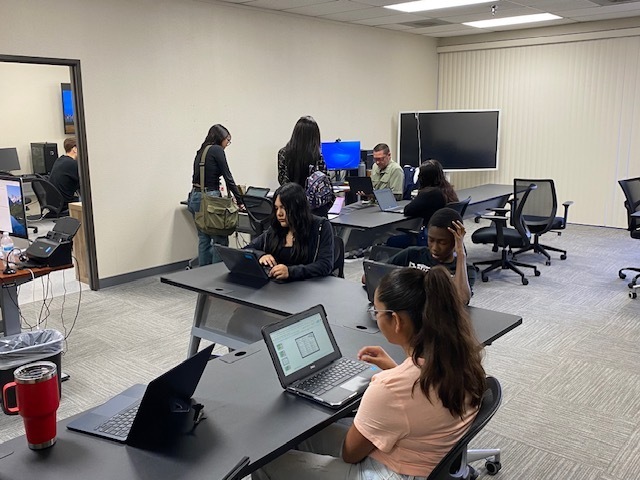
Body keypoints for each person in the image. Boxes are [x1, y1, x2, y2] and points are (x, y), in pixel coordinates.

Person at [252, 266, 486, 480]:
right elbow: (418, 398)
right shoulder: (461, 360)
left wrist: (391, 380)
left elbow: (350, 454)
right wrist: (395, 369)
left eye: (377, 311)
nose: (375, 315)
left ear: (396, 320)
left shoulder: (389, 388)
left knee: (265, 463)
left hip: (394, 472)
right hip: (427, 459)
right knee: (303, 437)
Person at [244, 182, 334, 281]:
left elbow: (325, 265)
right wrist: (261, 255)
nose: (279, 213)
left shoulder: (320, 226)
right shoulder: (275, 229)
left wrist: (291, 272)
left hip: (308, 286)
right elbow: (247, 249)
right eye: (276, 208)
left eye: (284, 208)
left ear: (297, 208)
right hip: (276, 286)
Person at [385, 207, 475, 304]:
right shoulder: (412, 254)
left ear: (455, 241)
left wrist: (460, 253)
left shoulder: (465, 270)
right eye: (431, 240)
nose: (434, 248)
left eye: (442, 242)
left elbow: (462, 300)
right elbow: (378, 273)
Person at [187, 124, 244, 266]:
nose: (227, 144)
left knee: (204, 238)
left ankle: (203, 273)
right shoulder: (217, 150)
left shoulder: (201, 151)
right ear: (220, 138)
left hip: (195, 197)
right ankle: (217, 274)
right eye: (227, 140)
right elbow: (228, 177)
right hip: (210, 199)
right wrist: (240, 200)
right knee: (220, 240)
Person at [387, 159, 458, 248]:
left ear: (423, 177)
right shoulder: (447, 189)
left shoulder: (429, 193)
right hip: (445, 235)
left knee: (391, 240)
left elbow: (408, 210)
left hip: (429, 237)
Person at [277, 116, 331, 217]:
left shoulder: (283, 153)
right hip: (314, 211)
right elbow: (324, 185)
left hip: (290, 207)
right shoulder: (317, 156)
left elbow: (282, 181)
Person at [48, 137, 80, 211]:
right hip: (65, 203)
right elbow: (85, 184)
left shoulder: (60, 160)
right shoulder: (72, 164)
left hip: (56, 202)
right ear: (75, 149)